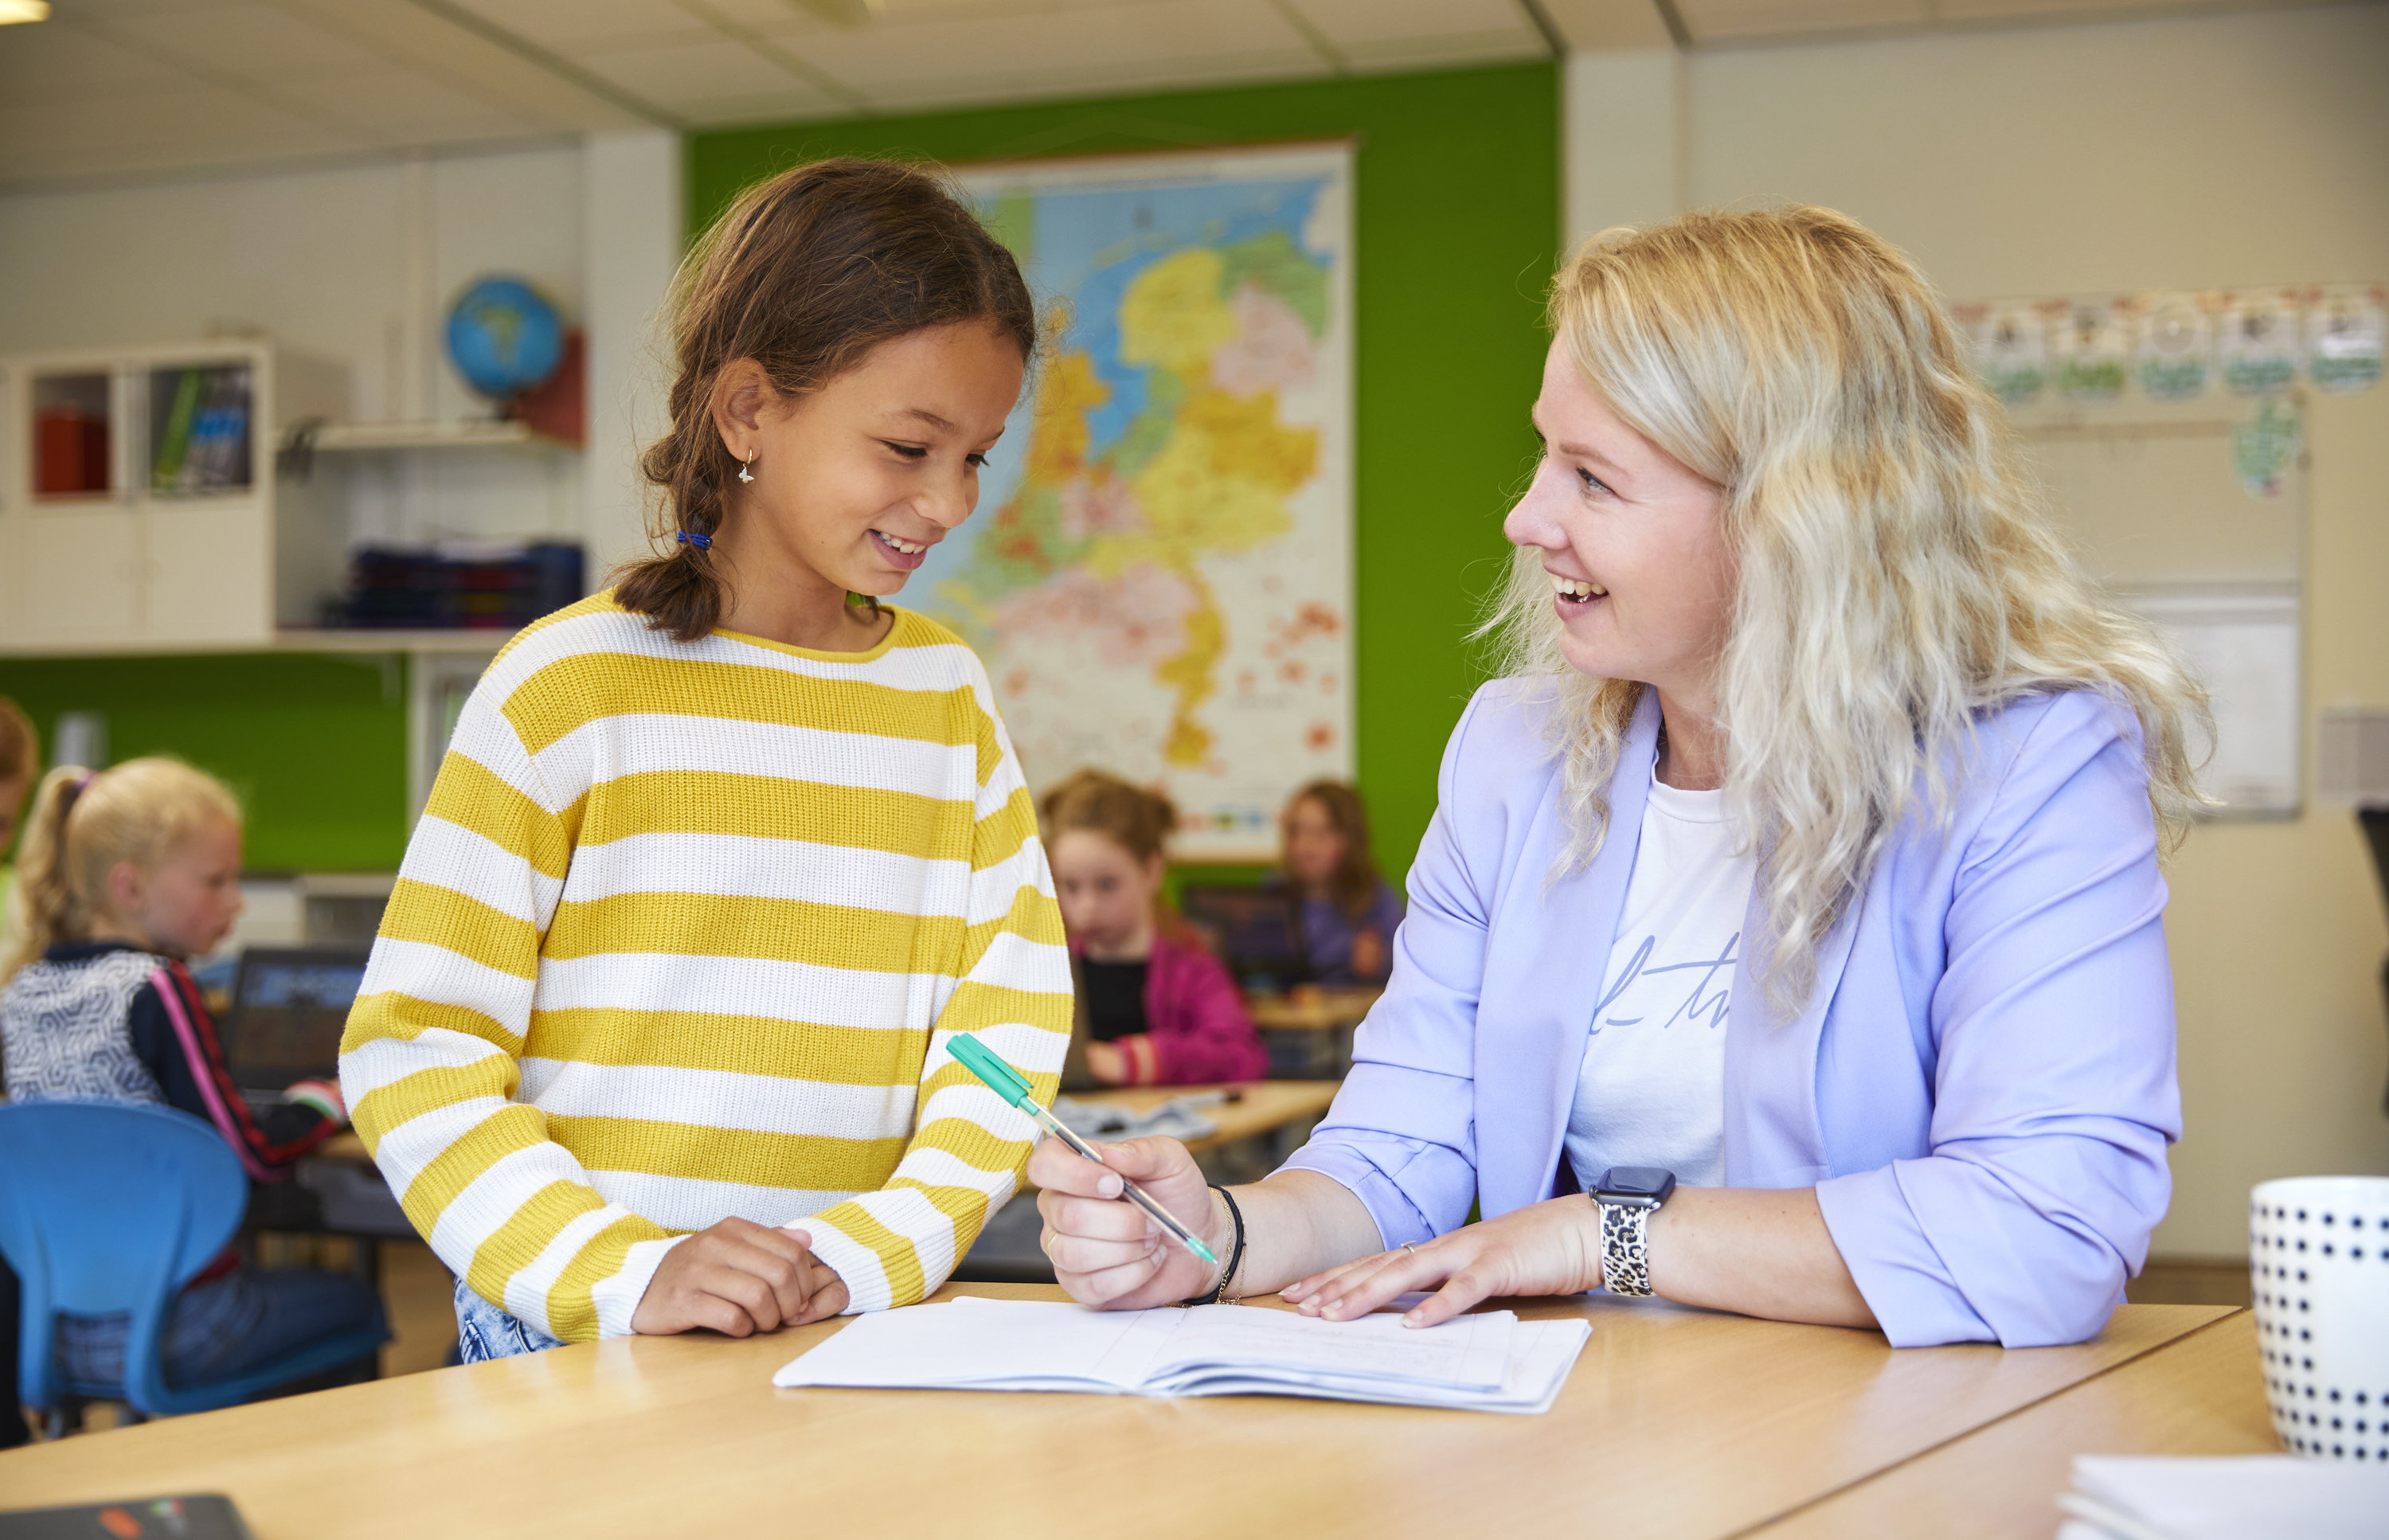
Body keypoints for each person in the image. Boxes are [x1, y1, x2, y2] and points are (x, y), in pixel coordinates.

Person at [1031, 205, 2203, 1350]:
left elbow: (2050, 1228)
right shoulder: (1512, 755)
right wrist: (1221, 1234)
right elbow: (1401, 1148)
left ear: (1791, 520)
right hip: (1595, 1421)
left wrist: (1608, 1236)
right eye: (1546, 452)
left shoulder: (2029, 765)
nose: (1525, 515)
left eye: (1593, 477)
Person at [338, 157, 1070, 1360]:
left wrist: (878, 1246)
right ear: (748, 412)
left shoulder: (944, 696)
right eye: (907, 447)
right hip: (581, 1328)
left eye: (977, 455)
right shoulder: (567, 683)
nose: (949, 503)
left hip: (849, 1324)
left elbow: (1006, 1026)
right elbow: (416, 1047)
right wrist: (621, 1270)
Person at [0, 758, 386, 1395]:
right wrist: (320, 1106)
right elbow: (253, 1156)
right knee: (353, 1299)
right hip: (185, 1328)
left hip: (58, 1333)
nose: (235, 902)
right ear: (130, 888)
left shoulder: (21, 990)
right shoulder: (159, 987)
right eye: (216, 881)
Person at [1042, 770, 1268, 1087]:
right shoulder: (1048, 970)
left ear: (1151, 871)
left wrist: (1138, 1061)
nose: (1087, 906)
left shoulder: (1193, 971)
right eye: (1070, 886)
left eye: (1107, 885)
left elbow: (1243, 1056)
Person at [1274, 780, 1404, 987]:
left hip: (1355, 1014)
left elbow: (1413, 961)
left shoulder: (1376, 897)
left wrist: (1381, 960)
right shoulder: (1274, 893)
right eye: (1296, 832)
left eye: (1320, 834)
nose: (1304, 847)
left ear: (1350, 839)